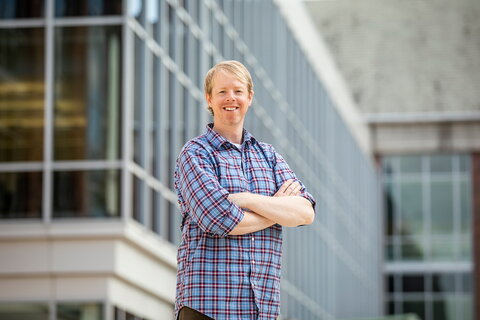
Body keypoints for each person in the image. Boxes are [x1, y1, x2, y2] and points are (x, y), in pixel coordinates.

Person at [174, 60, 316, 320]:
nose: (231, 98)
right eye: (222, 91)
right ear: (209, 98)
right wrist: (276, 209)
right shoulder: (195, 154)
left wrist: (247, 199)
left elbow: (305, 213)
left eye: (238, 91)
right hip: (208, 306)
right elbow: (218, 218)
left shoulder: (269, 156)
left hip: (261, 308)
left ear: (249, 97)